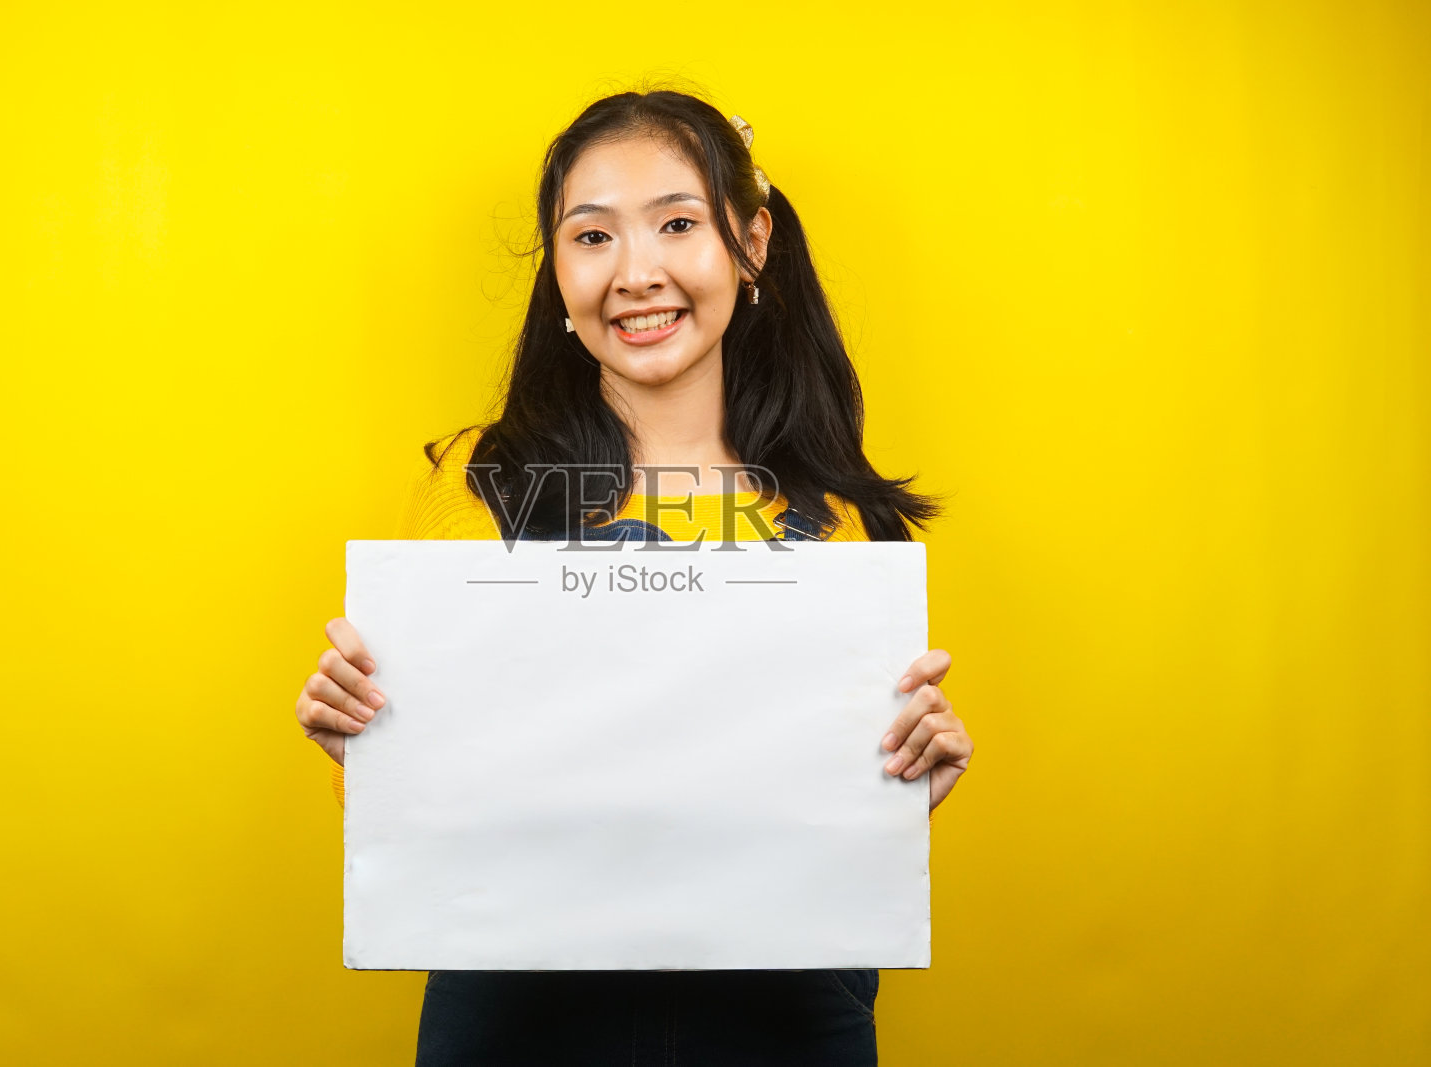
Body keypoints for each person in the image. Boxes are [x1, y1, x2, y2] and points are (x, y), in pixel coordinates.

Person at [294, 87, 975, 1065]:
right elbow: (419, 802)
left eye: (678, 223)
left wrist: (908, 773)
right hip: (518, 1011)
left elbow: (825, 794)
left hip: (786, 1012)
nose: (636, 272)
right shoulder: (474, 486)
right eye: (592, 236)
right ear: (559, 273)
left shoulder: (841, 519)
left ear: (751, 243)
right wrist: (358, 734)